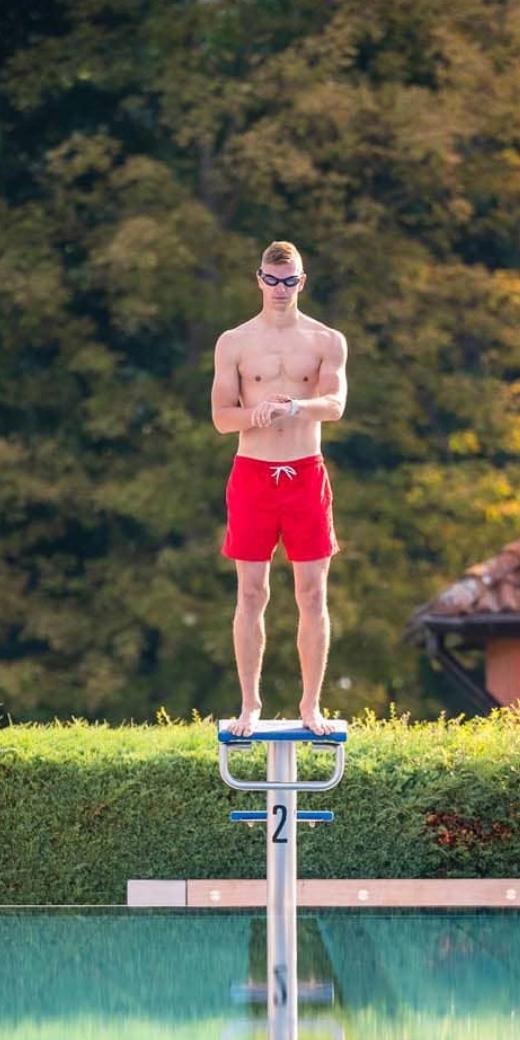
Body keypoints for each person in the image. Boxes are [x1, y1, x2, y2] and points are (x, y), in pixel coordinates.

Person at [211, 242, 349, 737]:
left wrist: (296, 407)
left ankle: (311, 706)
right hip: (253, 475)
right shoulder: (235, 342)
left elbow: (334, 403)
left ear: (302, 282)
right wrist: (258, 413)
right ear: (259, 279)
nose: (280, 290)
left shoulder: (326, 339)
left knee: (312, 593)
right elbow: (221, 417)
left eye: (289, 281)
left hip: (305, 473)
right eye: (272, 280)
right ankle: (250, 705)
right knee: (252, 592)